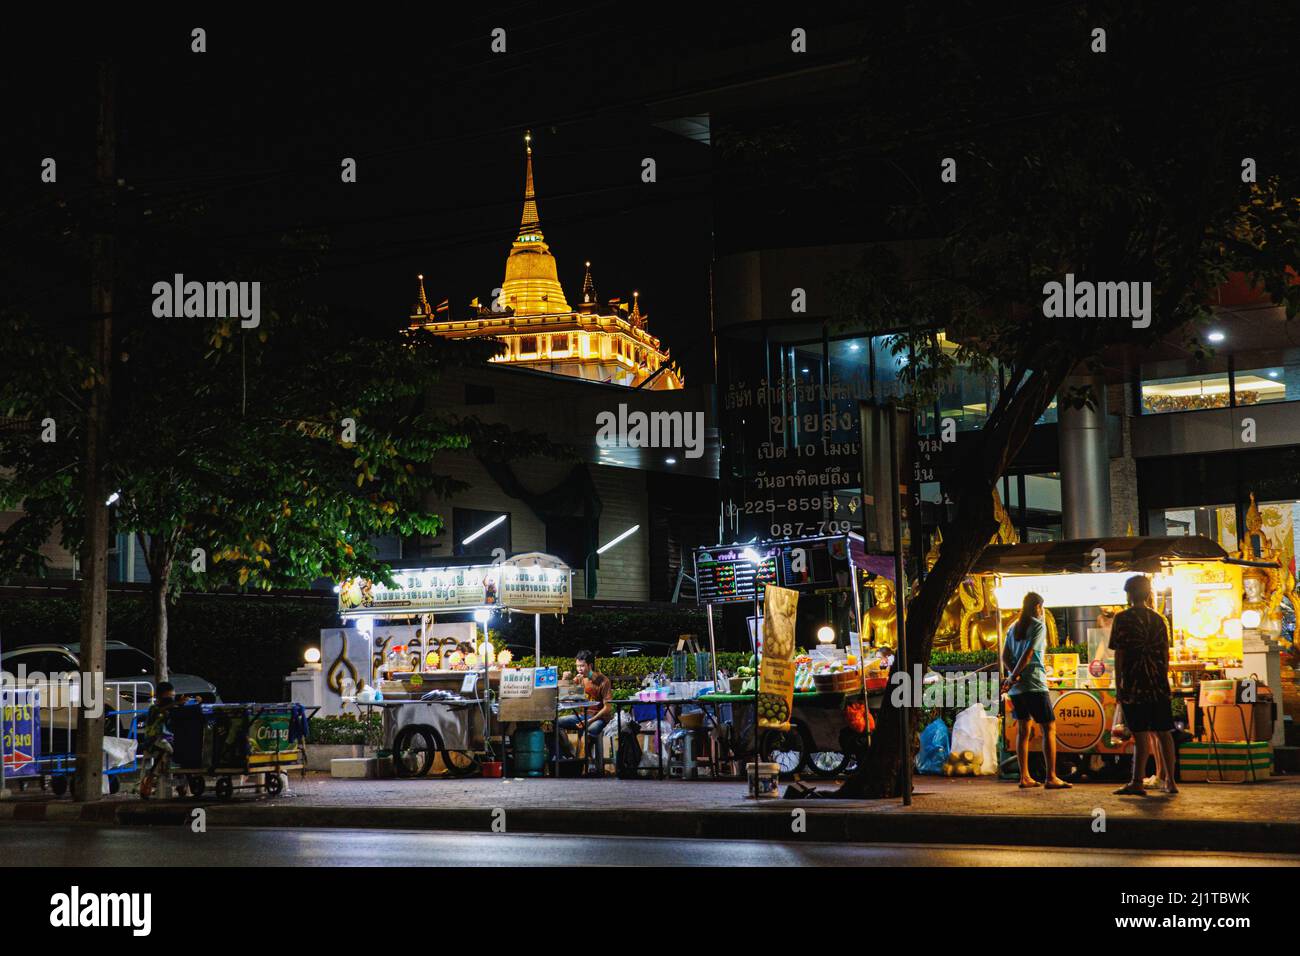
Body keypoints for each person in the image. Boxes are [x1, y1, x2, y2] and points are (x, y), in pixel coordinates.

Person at [1110, 575, 1178, 796]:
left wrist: (1119, 684)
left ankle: (1137, 782)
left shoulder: (1121, 619)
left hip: (1134, 684)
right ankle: (1171, 782)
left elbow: (1119, 655)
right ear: (1148, 594)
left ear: (1129, 595)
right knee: (1163, 733)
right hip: (1158, 684)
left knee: (1140, 735)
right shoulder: (1159, 620)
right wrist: (1161, 676)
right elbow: (1166, 655)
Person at [1001, 592, 1072, 789]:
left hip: (1017, 689)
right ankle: (1051, 777)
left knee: (1023, 730)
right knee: (1048, 727)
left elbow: (1005, 656)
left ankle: (1024, 777)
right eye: (1042, 607)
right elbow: (1028, 653)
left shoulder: (1013, 627)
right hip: (1033, 683)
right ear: (1038, 607)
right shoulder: (1038, 625)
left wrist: (1012, 676)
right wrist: (1015, 675)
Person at [558, 650, 613, 768]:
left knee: (589, 732)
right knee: (556, 722)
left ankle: (585, 764)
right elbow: (564, 696)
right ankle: (570, 753)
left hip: (600, 718)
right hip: (583, 716)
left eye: (582, 666)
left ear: (590, 666)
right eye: (577, 666)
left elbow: (607, 708)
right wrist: (565, 679)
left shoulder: (604, 681)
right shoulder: (579, 679)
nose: (579, 669)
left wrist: (589, 721)